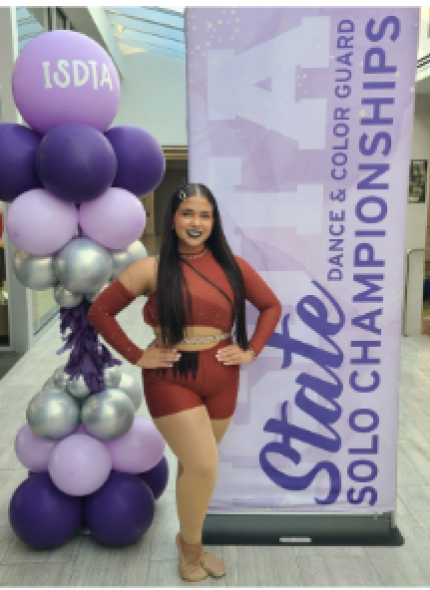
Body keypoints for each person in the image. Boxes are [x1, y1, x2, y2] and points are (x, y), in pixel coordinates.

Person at [89, 183, 283, 581]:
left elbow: (271, 305)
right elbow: (100, 311)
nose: (196, 222)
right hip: (171, 376)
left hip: (223, 375)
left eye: (205, 215)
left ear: (214, 221)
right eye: (187, 214)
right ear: (173, 219)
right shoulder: (152, 268)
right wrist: (137, 354)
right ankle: (191, 553)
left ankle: (185, 538)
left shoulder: (234, 267)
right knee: (204, 464)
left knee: (192, 467)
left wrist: (251, 350)